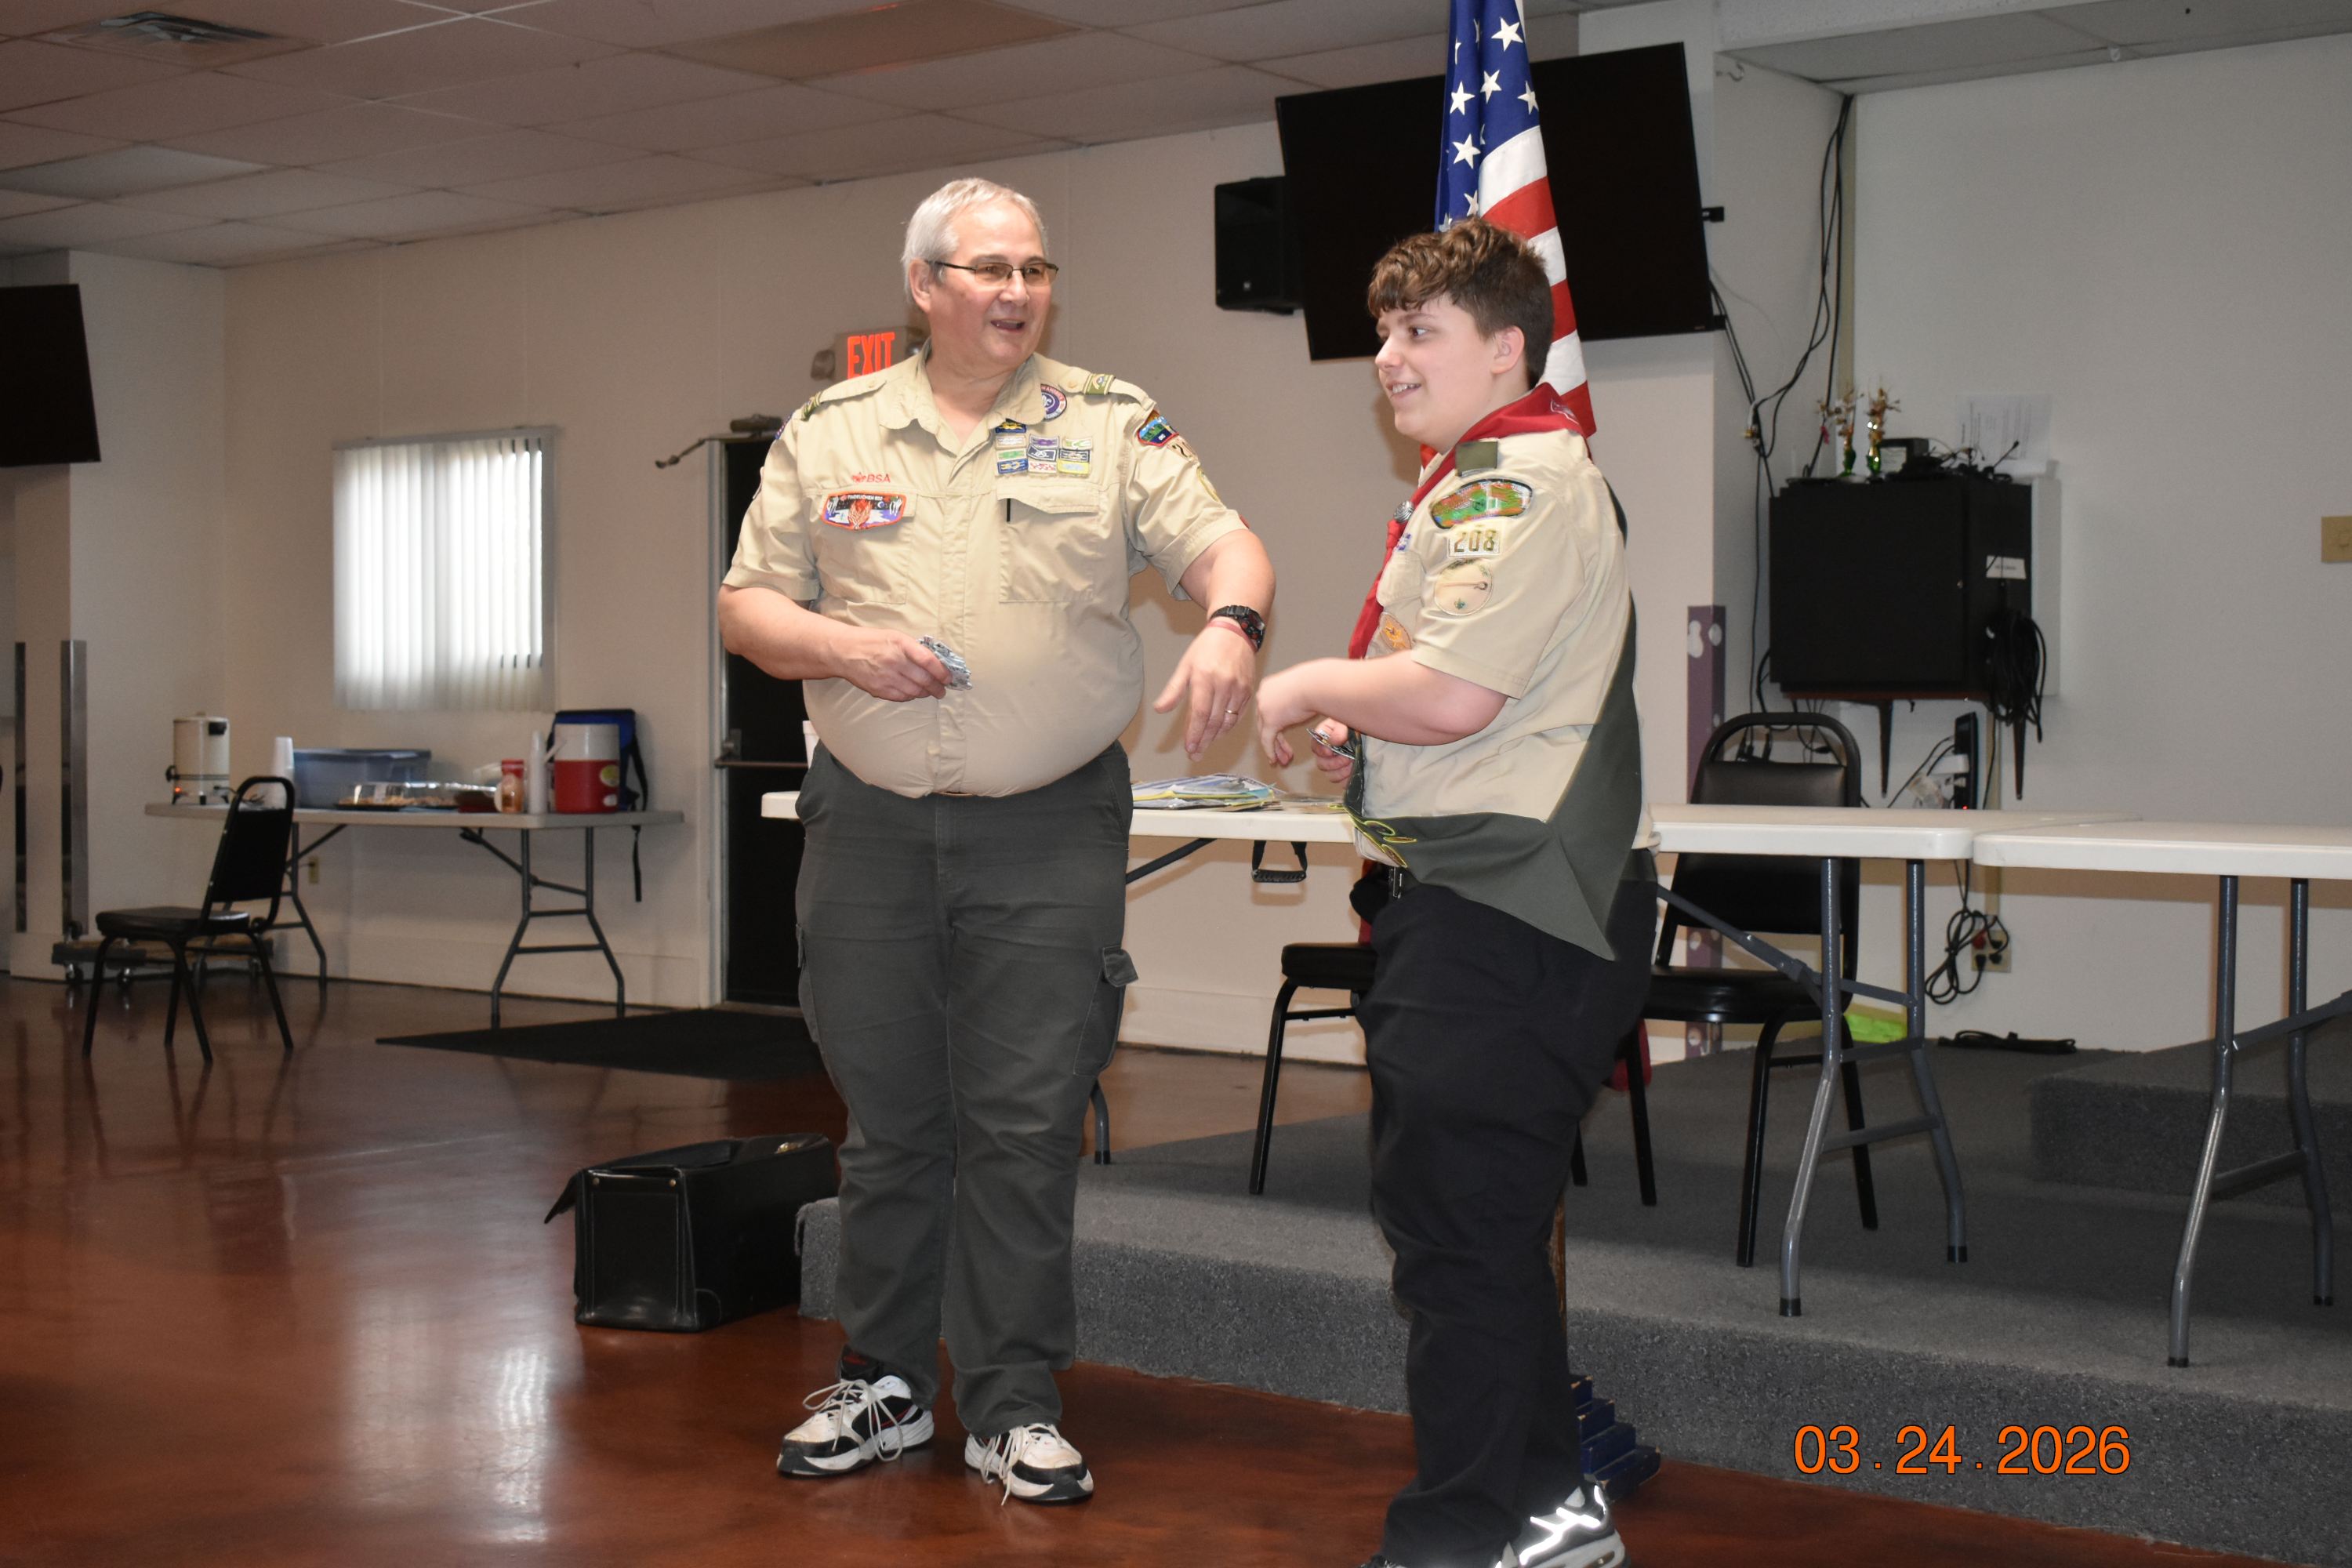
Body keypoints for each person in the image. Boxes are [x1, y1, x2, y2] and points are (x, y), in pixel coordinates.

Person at [717, 176, 1274, 1506]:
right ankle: (886, 1383)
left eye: (1035, 268)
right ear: (925, 286)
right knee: (892, 1124)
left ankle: (1014, 1403)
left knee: (1024, 1125)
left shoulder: (1108, 422)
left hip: (1047, 826)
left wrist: (1230, 624)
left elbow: (1226, 545)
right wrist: (845, 646)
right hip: (869, 826)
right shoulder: (834, 431)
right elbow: (747, 607)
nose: (1019, 291)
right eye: (989, 269)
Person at [1254, 219, 1651, 1568]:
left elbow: (1456, 693)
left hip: (1513, 905)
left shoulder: (1517, 486)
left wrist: (1304, 685)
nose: (1390, 357)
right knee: (1469, 1233)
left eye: (1421, 330)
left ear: (1508, 347)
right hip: (1488, 896)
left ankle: (1463, 1538)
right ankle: (1549, 1520)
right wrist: (1360, 735)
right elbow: (1459, 704)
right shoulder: (1474, 481)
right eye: (1385, 332)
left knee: (1460, 1239)